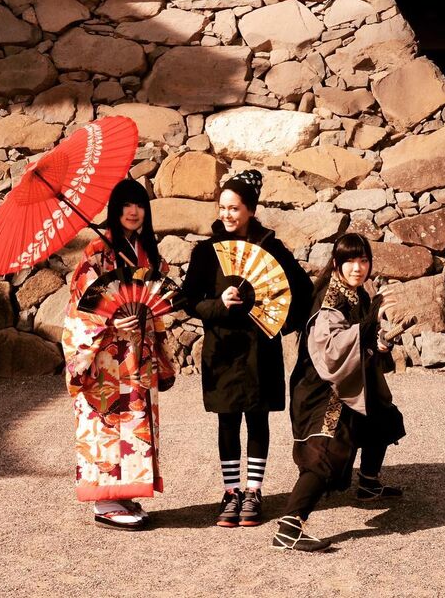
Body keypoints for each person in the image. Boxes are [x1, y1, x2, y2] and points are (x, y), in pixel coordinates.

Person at [183, 169, 313, 527]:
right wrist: (218, 304)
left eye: (234, 208)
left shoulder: (271, 248)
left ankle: (254, 492)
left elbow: (302, 291)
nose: (227, 214)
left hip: (260, 349)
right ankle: (231, 492)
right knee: (227, 419)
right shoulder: (207, 252)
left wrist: (280, 321)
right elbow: (189, 300)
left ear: (251, 210)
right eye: (222, 207)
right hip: (222, 350)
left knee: (257, 418)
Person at [272, 233, 406, 551]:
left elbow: (363, 341)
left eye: (363, 260)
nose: (357, 268)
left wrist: (381, 341)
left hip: (349, 379)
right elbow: (332, 351)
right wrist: (371, 323)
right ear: (336, 263)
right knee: (325, 455)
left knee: (381, 416)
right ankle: (289, 527)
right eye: (350, 261)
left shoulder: (357, 293)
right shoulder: (330, 302)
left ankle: (369, 484)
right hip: (323, 388)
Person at [62, 179, 175, 530]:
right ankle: (104, 501)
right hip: (105, 359)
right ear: (115, 209)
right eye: (126, 204)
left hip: (136, 356)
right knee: (107, 422)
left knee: (135, 424)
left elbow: (157, 298)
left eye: (139, 204)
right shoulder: (97, 253)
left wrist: (146, 316)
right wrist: (111, 323)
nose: (133, 211)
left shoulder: (146, 252)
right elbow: (82, 309)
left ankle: (122, 493)